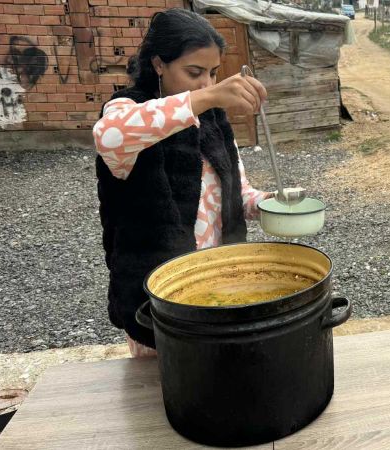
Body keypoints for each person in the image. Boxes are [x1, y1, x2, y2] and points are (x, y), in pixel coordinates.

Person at [93, 8, 271, 358]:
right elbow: (110, 136)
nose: (207, 83)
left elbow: (237, 192)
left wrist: (269, 203)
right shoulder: (129, 109)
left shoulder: (212, 121)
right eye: (194, 72)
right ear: (159, 64)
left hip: (217, 288)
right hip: (156, 297)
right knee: (164, 394)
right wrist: (209, 96)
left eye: (213, 73)